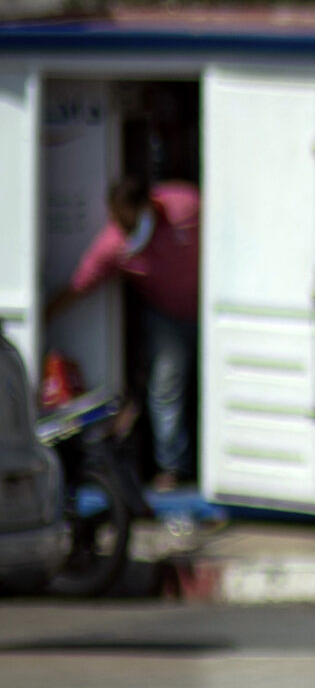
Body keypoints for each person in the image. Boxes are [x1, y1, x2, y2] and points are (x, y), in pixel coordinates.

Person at [46, 175, 201, 491]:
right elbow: (81, 283)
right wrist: (41, 317)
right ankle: (173, 467)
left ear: (145, 205)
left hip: (211, 307)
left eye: (124, 215)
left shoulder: (184, 205)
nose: (118, 222)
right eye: (114, 215)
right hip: (167, 316)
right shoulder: (114, 243)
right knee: (166, 386)